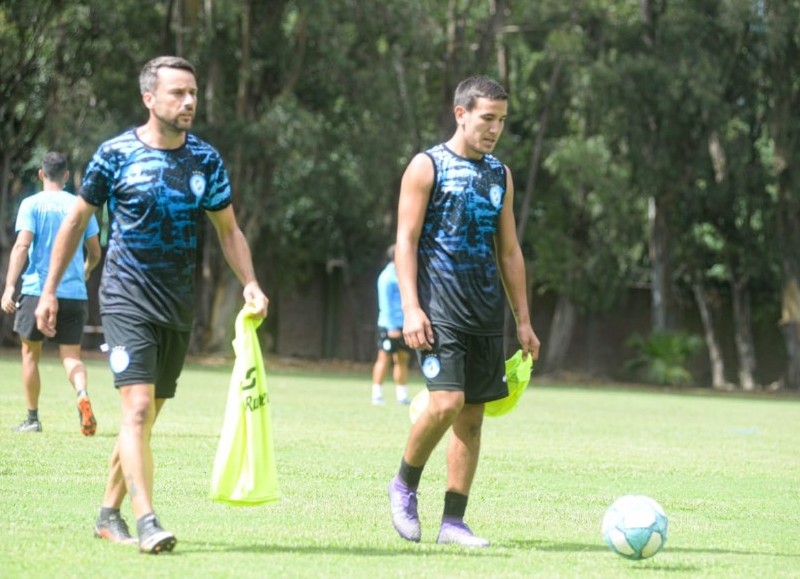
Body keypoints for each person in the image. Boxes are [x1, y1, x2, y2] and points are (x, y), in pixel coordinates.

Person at [34, 56, 269, 555]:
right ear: (149, 99)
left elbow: (229, 230)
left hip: (176, 305)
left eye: (193, 93)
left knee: (147, 415)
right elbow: (76, 222)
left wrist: (250, 281)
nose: (188, 102)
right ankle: (147, 520)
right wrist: (50, 288)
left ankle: (106, 513)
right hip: (125, 299)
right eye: (177, 93)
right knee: (136, 408)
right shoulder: (114, 155)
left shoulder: (205, 160)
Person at [389, 75, 540, 547]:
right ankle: (403, 485)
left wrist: (523, 320)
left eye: (501, 120)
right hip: (439, 310)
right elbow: (405, 242)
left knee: (472, 418)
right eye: (486, 118)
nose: (494, 129)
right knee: (447, 403)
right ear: (461, 113)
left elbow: (510, 251)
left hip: (485, 313)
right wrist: (411, 308)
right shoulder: (426, 166)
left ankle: (453, 521)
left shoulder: (501, 175)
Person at [1, 152, 101, 435]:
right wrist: (85, 270)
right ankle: (81, 393)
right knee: (71, 357)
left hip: (36, 291)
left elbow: (22, 246)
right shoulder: (80, 206)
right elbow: (95, 251)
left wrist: (10, 286)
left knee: (30, 354)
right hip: (74, 294)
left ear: (41, 174)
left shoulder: (31, 204)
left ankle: (32, 419)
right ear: (67, 176)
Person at [371, 244, 412, 406]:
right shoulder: (387, 277)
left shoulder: (404, 274)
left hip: (405, 324)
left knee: (402, 358)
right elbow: (385, 304)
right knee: (384, 358)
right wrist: (391, 327)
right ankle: (377, 395)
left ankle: (402, 396)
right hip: (389, 325)